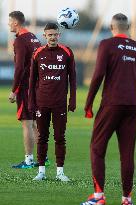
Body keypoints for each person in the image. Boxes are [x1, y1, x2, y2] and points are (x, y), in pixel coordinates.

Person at [81, 13, 136, 205]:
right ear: (127, 28)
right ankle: (127, 200)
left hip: (111, 104)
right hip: (132, 106)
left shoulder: (107, 44)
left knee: (97, 148)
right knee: (127, 154)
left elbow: (98, 76)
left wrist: (88, 104)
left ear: (112, 27)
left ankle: (98, 197)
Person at [28, 22, 76, 181]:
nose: (53, 37)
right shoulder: (38, 53)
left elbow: (73, 78)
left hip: (60, 103)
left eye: (55, 34)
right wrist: (31, 102)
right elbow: (32, 80)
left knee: (60, 137)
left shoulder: (67, 52)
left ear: (59, 35)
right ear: (45, 36)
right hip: (42, 102)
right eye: (50, 35)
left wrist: (72, 99)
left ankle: (60, 172)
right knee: (42, 137)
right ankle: (41, 171)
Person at [8, 11, 50, 168]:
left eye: (10, 21)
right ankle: (42, 157)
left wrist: (14, 90)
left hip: (26, 87)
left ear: (16, 23)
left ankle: (29, 160)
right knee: (34, 124)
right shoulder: (33, 37)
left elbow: (19, 67)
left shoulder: (20, 40)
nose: (8, 24)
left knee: (27, 123)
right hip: (38, 85)